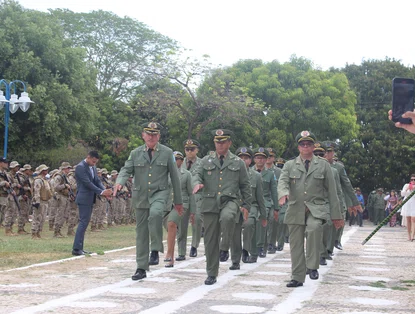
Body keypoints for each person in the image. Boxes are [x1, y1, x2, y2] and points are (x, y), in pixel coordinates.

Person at [113, 122, 183, 281]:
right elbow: (126, 169)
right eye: (148, 134)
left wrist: (178, 201)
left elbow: (175, 178)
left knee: (156, 213)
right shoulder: (135, 153)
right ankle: (141, 267)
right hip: (141, 196)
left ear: (158, 136)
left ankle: (156, 249)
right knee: (141, 233)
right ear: (143, 135)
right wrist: (120, 181)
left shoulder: (167, 153)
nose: (151, 137)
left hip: (160, 192)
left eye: (154, 134)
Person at [278, 131, 343, 288]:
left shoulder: (323, 165)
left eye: (308, 144)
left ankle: (312, 266)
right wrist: (283, 193)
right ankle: (297, 277)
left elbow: (333, 193)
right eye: (302, 144)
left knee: (314, 229)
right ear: (298, 146)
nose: (305, 147)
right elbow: (282, 182)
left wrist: (337, 216)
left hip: (316, 208)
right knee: (296, 244)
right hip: (295, 208)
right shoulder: (289, 165)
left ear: (314, 146)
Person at [193, 129, 251, 285]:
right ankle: (211, 272)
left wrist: (246, 204)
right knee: (210, 240)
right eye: (217, 142)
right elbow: (197, 175)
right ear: (214, 143)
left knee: (228, 217)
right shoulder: (205, 161)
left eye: (223, 141)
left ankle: (225, 247)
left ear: (229, 143)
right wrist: (197, 183)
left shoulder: (238, 162)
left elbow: (245, 185)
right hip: (210, 202)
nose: (220, 144)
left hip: (230, 200)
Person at [72, 151, 112, 256]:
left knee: (85, 223)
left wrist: (105, 190)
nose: (94, 164)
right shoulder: (80, 167)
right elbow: (87, 183)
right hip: (84, 198)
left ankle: (80, 247)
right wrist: (101, 192)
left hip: (90, 198)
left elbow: (97, 181)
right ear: (88, 157)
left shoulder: (92, 167)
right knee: (83, 222)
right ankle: (76, 248)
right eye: (93, 161)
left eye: (95, 162)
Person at [234, 147, 267, 267]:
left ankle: (246, 250)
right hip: (235, 205)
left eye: (246, 158)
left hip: (251, 206)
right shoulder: (231, 174)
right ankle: (235, 258)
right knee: (235, 231)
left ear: (250, 160)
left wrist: (263, 215)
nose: (243, 160)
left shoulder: (256, 176)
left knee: (249, 224)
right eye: (240, 158)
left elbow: (260, 198)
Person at [163, 151, 195, 267]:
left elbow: (191, 193)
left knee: (173, 225)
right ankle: (172, 252)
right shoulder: (164, 174)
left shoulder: (186, 174)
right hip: (166, 205)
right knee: (170, 228)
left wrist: (193, 211)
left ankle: (171, 256)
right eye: (173, 159)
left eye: (177, 159)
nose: (174, 162)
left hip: (182, 204)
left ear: (181, 161)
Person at [180, 139, 203, 260]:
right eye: (187, 149)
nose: (189, 152)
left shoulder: (202, 163)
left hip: (197, 197)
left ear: (197, 150)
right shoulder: (179, 162)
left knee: (197, 221)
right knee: (182, 223)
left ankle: (194, 246)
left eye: (192, 149)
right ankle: (181, 250)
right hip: (183, 197)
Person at [32, 164, 53, 239]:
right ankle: (34, 233)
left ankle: (38, 232)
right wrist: (37, 201)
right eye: (45, 170)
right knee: (37, 217)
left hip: (45, 200)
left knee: (42, 218)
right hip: (40, 201)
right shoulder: (38, 180)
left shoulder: (45, 180)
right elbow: (37, 191)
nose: (47, 171)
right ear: (42, 171)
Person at [401, 176, 415, 241]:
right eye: (411, 179)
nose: (413, 180)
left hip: (414, 203)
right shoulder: (406, 185)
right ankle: (409, 235)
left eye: (414, 179)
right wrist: (407, 189)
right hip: (407, 203)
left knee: (413, 219)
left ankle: (412, 235)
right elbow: (402, 194)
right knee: (408, 219)